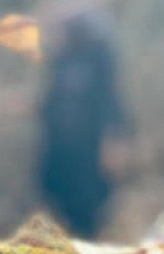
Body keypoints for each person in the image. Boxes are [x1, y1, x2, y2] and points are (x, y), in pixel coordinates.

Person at [38, 9, 129, 240]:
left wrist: (113, 140)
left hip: (88, 149)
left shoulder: (99, 56)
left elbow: (110, 101)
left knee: (88, 208)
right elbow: (53, 99)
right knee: (57, 202)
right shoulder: (60, 58)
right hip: (59, 148)